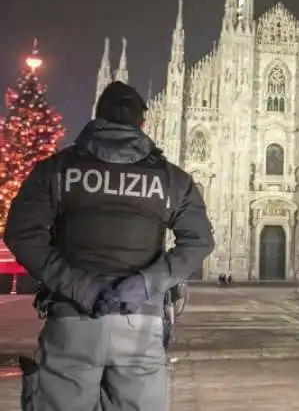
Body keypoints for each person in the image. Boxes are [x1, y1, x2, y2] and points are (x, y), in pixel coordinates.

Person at [4, 80, 215, 411]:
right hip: (140, 323)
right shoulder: (171, 179)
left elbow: (20, 232)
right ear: (142, 123)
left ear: (97, 116)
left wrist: (79, 287)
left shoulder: (58, 170)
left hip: (72, 321)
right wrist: (146, 283)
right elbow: (199, 240)